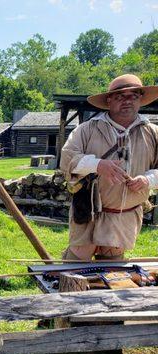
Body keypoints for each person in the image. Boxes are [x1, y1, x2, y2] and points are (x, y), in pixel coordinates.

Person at [60, 74, 158, 260]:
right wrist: (97, 165)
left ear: (140, 100)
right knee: (76, 262)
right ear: (109, 100)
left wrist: (148, 180)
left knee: (112, 265)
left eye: (134, 96)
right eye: (121, 96)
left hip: (124, 214)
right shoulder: (87, 129)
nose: (128, 101)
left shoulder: (152, 133)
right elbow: (67, 158)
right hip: (88, 210)